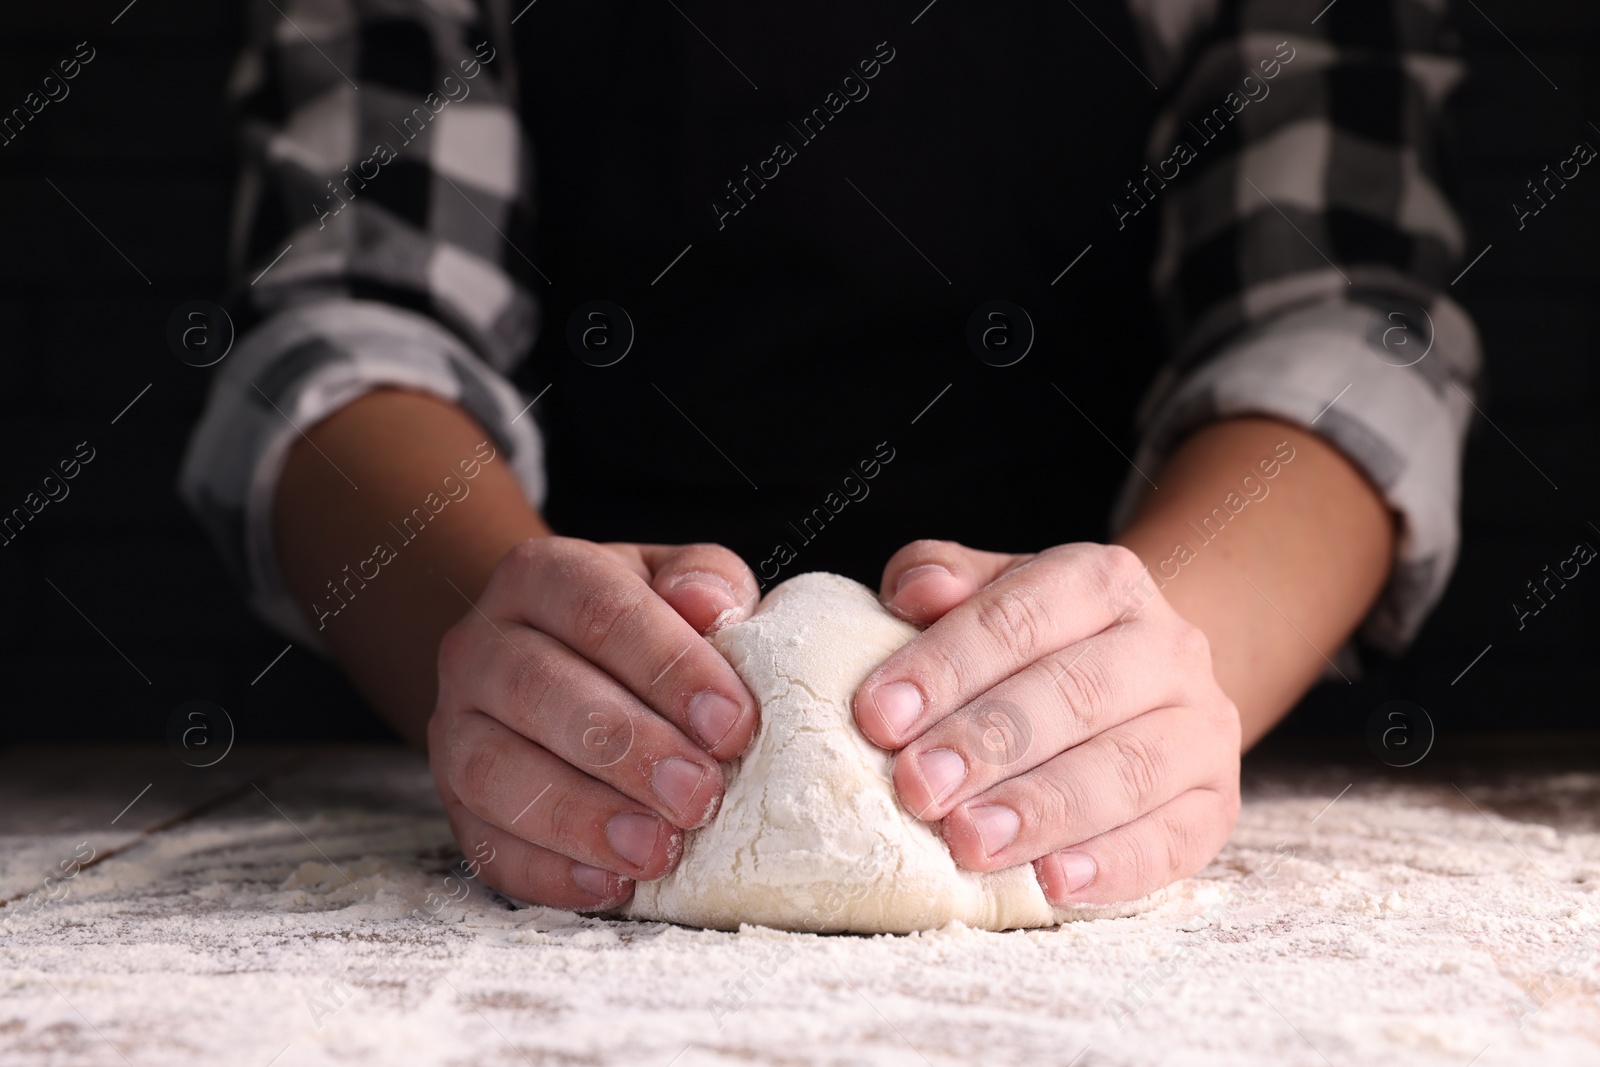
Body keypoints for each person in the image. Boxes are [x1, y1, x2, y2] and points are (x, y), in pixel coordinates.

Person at [182, 0, 1479, 912]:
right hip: (592, 768)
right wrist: (497, 635)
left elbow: (1346, 330)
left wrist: (1155, 663)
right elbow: (351, 322)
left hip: (1089, 732)